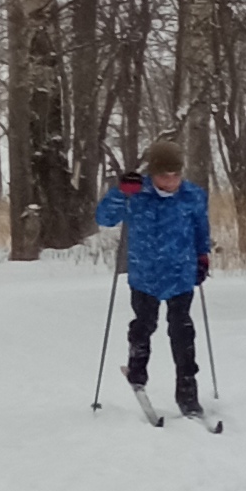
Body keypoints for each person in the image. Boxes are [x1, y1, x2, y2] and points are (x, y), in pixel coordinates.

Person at [95, 137, 214, 416]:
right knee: (144, 325)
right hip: (145, 274)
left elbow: (201, 229)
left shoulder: (193, 196)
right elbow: (105, 218)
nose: (170, 181)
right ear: (153, 173)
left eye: (176, 175)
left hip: (180, 275)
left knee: (182, 332)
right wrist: (120, 192)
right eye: (164, 175)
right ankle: (137, 370)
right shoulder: (136, 193)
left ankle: (187, 393)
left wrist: (202, 257)